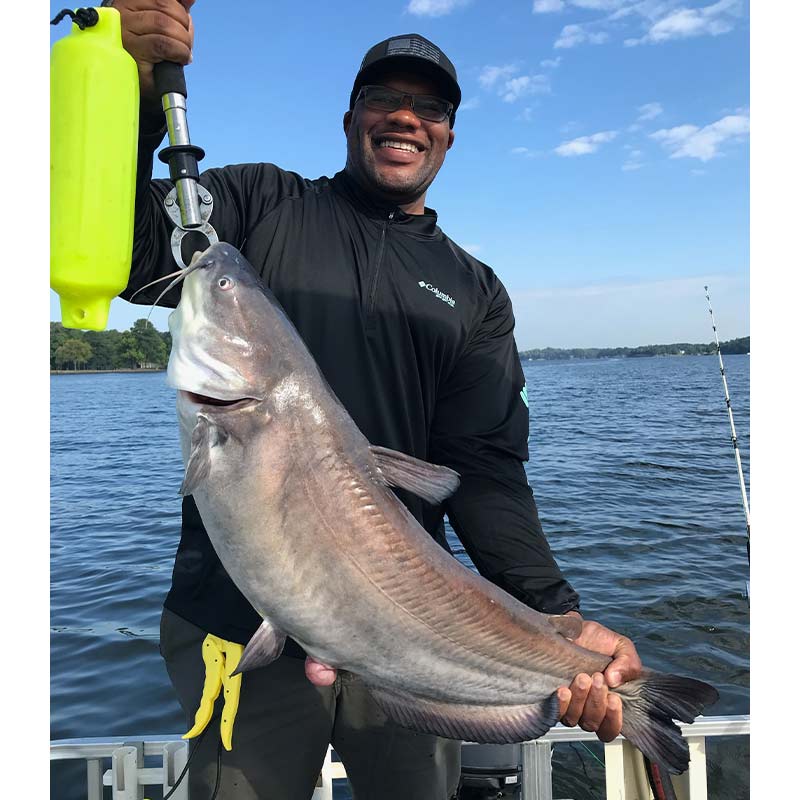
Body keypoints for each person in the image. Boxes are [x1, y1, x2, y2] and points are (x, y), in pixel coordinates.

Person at [111, 1, 643, 798]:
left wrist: (558, 616)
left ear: (450, 133)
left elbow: (487, 470)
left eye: (429, 107)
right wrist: (131, 92)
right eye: (383, 99)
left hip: (408, 626)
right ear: (350, 117)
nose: (405, 118)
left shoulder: (475, 291)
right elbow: (122, 244)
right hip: (235, 625)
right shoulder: (260, 205)